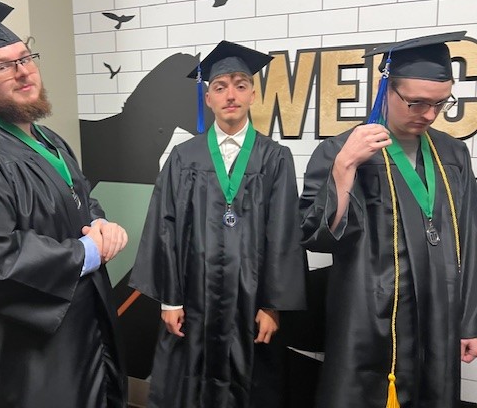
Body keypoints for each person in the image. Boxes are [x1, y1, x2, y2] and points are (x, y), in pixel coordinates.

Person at [0, 0, 128, 408]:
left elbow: (80, 200)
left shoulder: (51, 140)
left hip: (88, 323)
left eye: (25, 58)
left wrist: (101, 225)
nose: (22, 71)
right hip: (34, 347)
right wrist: (87, 252)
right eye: (2, 65)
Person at [299, 31, 477, 408]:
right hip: (368, 317)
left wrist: (469, 320)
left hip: (439, 315)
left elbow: (471, 239)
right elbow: (316, 237)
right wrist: (345, 167)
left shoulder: (453, 155)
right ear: (386, 90)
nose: (429, 114)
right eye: (417, 103)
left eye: (440, 103)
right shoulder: (340, 150)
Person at [130, 41, 307, 407]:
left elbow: (284, 233)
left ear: (253, 95)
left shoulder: (275, 158)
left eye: (240, 86)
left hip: (251, 301)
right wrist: (170, 300)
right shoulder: (183, 158)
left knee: (252, 385)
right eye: (220, 87)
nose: (231, 95)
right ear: (207, 97)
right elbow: (164, 227)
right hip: (194, 298)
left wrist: (272, 304)